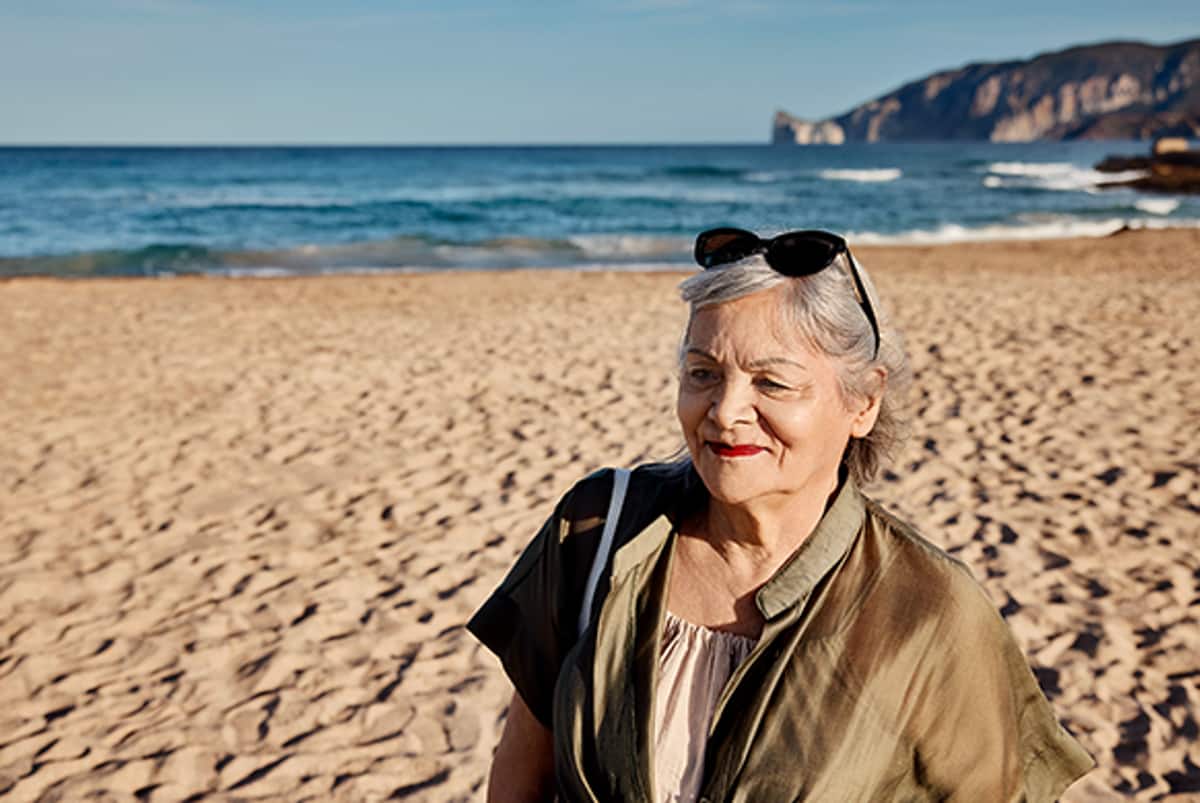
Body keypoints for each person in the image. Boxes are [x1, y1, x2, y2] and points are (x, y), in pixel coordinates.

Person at [467, 227, 1094, 802]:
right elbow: (526, 761)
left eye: (772, 383)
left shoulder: (929, 609)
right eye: (702, 373)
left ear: (863, 403)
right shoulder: (599, 530)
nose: (725, 410)